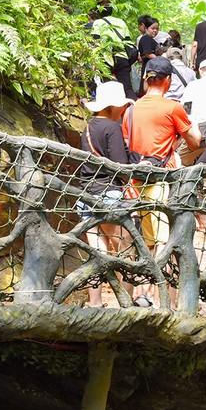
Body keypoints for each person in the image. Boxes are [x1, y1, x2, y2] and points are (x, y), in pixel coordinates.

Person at [122, 56, 200, 273]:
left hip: (135, 182)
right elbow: (194, 143)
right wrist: (181, 133)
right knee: (166, 241)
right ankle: (163, 298)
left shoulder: (130, 110)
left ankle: (142, 293)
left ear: (147, 79)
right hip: (161, 182)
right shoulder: (173, 107)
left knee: (147, 241)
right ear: (169, 80)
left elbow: (129, 143)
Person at [78, 80, 138, 306]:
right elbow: (120, 166)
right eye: (121, 106)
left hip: (86, 193)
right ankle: (126, 301)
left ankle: (95, 302)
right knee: (126, 247)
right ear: (112, 106)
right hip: (109, 193)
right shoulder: (112, 127)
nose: (123, 110)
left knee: (97, 252)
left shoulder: (88, 126)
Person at [91, 0, 136, 98]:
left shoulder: (98, 23)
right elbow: (127, 41)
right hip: (122, 57)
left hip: (105, 58)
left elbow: (95, 41)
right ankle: (132, 109)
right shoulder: (121, 22)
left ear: (99, 11)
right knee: (127, 87)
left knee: (106, 87)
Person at [135, 14, 160, 82]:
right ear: (146, 28)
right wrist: (161, 60)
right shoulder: (146, 38)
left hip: (150, 67)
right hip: (149, 68)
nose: (155, 30)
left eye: (157, 29)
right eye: (152, 28)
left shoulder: (149, 38)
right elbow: (148, 54)